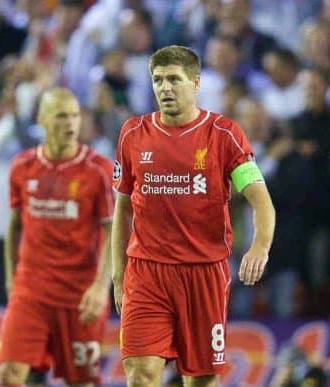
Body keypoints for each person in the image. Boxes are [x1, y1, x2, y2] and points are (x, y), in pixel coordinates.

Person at [111, 45, 276, 386]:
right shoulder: (132, 134)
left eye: (174, 79)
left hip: (203, 273)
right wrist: (117, 276)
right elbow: (123, 208)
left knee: (200, 379)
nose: (164, 88)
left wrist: (260, 246)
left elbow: (262, 201)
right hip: (146, 273)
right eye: (157, 80)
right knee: (140, 374)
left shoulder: (224, 135)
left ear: (196, 82)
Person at [0, 87, 114, 386]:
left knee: (81, 381)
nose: (71, 123)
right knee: (9, 373)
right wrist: (12, 278)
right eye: (62, 116)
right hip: (31, 290)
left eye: (75, 115)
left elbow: (115, 233)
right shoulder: (22, 166)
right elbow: (14, 225)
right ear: (43, 119)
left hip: (79, 294)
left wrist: (101, 288)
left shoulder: (99, 170)